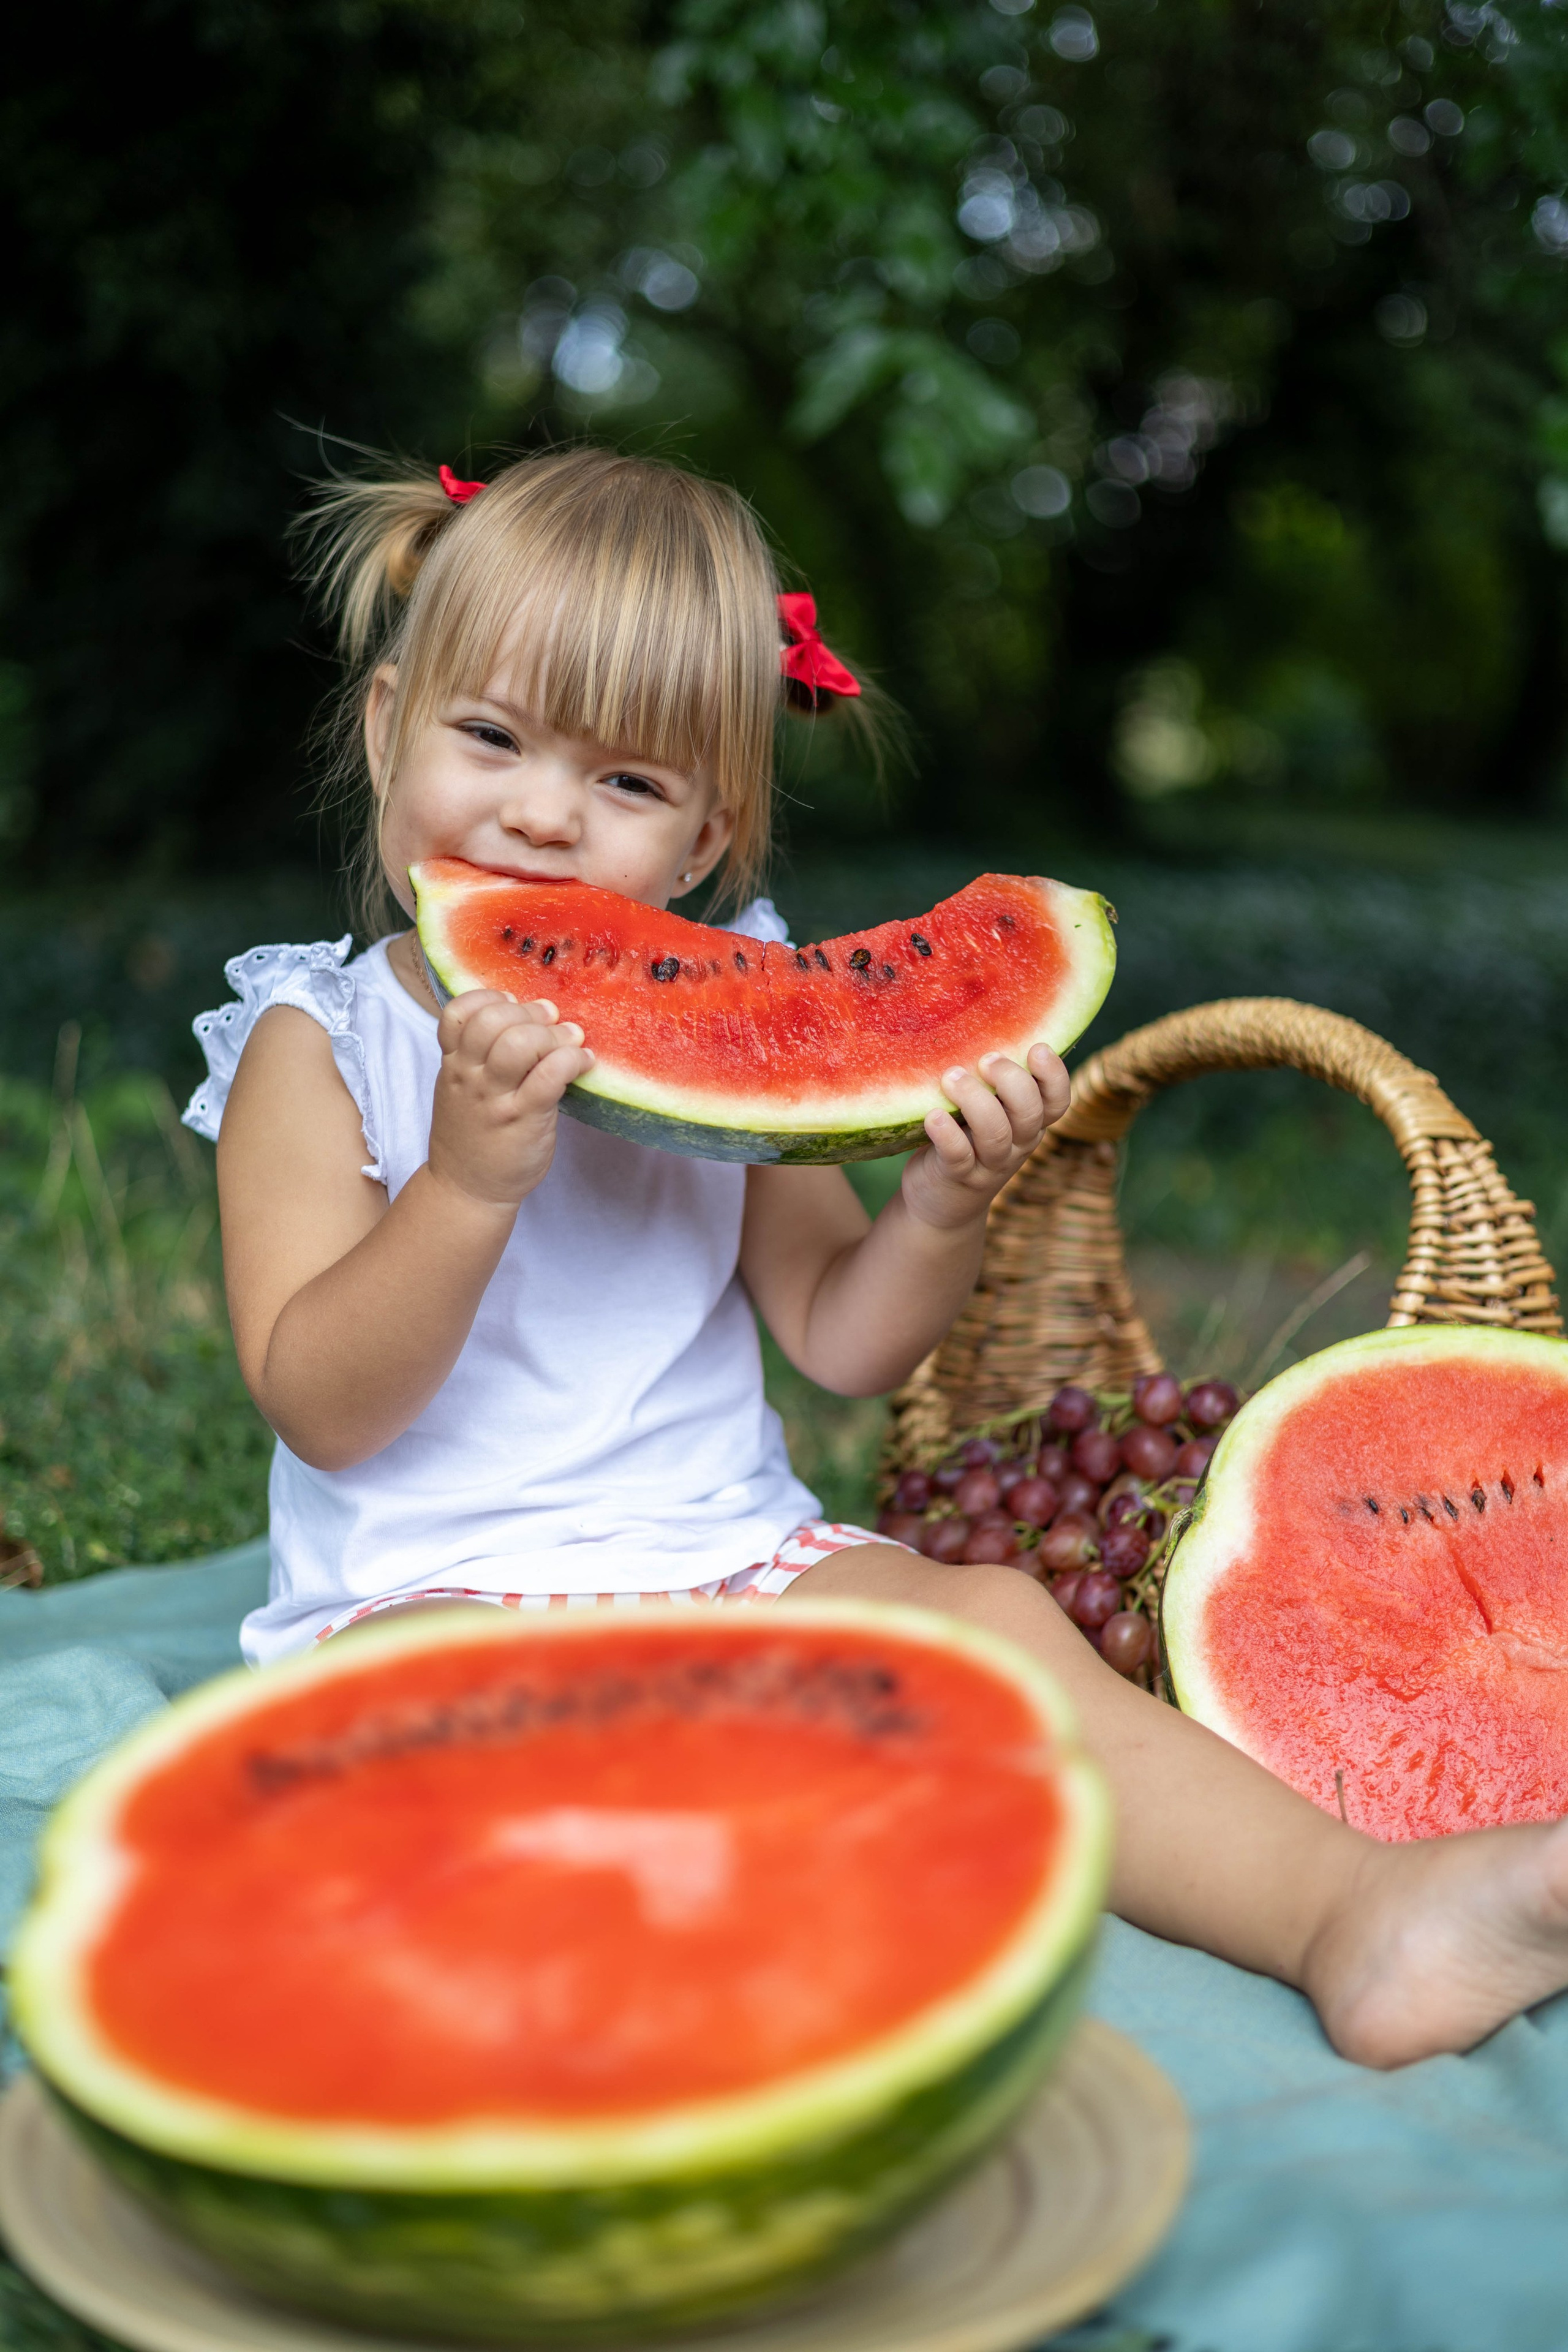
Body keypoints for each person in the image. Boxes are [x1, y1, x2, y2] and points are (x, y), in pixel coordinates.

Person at [190, 444, 1568, 2076]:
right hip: (429, 1601)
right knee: (448, 1759)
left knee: (991, 1621)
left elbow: (841, 1342)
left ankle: (1354, 1915)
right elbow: (323, 1404)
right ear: (384, 727)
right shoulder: (317, 1038)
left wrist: (939, 1208)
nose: (543, 813)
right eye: (489, 738)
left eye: (626, 786)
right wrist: (469, 1188)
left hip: (733, 1563)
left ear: (707, 839)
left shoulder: (742, 1011)